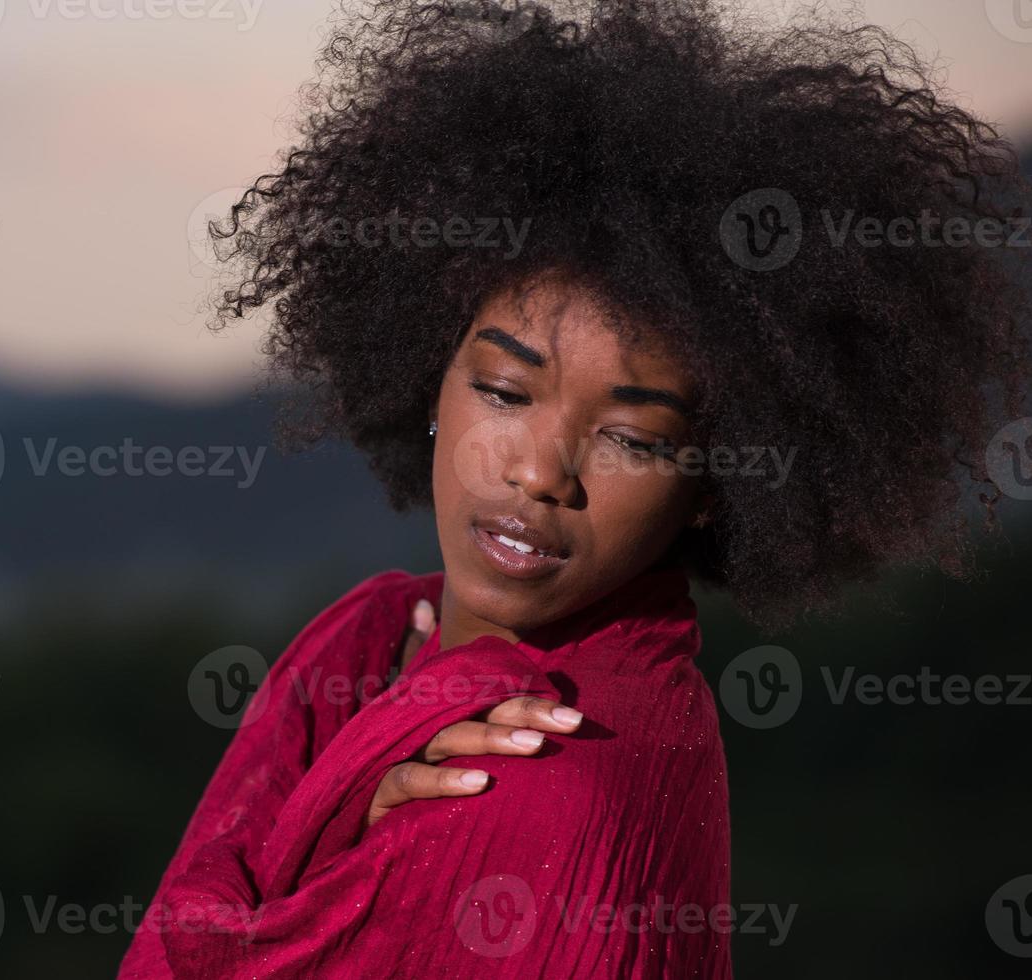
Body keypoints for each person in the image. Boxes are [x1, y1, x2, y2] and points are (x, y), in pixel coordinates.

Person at [120, 1, 1032, 976]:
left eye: (632, 437)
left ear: (714, 485)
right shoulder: (375, 636)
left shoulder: (537, 782)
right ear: (432, 368)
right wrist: (354, 827)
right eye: (506, 389)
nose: (538, 470)